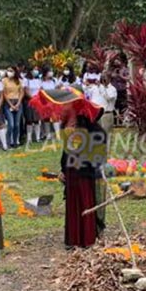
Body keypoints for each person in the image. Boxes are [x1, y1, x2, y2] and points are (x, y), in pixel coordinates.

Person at [58, 91, 106, 248]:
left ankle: (87, 238)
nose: (64, 108)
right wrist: (62, 170)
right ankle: (73, 239)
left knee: (86, 204)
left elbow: (99, 141)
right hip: (71, 173)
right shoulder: (67, 124)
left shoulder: (87, 125)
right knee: (73, 206)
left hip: (85, 172)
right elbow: (66, 152)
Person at [1, 67, 25, 148]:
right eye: (8, 71)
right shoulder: (4, 80)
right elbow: (4, 93)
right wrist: (11, 105)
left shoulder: (19, 81)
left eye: (11, 71)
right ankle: (8, 143)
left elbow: (21, 92)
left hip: (17, 102)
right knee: (11, 124)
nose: (9, 72)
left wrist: (18, 103)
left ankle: (15, 142)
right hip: (8, 103)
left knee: (17, 125)